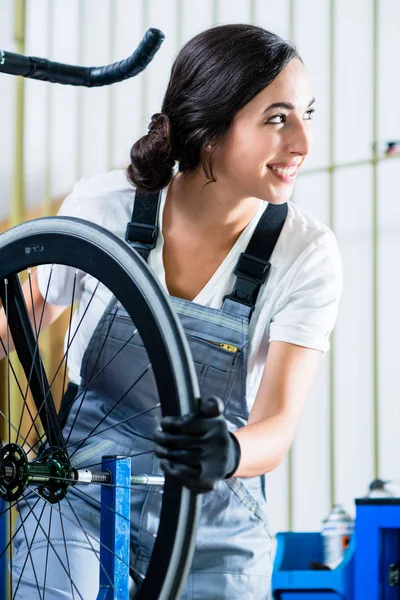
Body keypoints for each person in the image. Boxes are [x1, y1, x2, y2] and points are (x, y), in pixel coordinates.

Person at [9, 23, 342, 599]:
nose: (303, 145)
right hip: (82, 494)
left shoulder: (306, 253)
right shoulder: (104, 207)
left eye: (307, 115)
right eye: (277, 118)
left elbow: (277, 426)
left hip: (217, 519)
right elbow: (26, 314)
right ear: (210, 128)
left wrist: (229, 448)